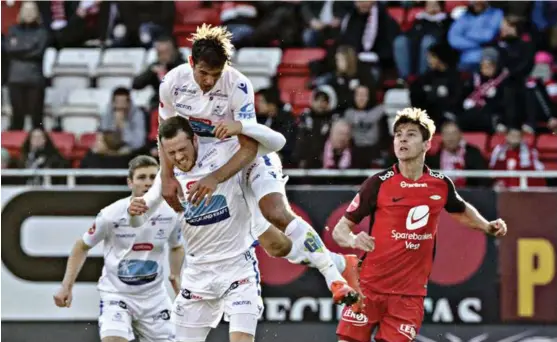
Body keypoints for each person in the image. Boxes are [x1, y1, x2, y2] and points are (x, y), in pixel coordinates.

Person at [158, 24, 360, 307]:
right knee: (275, 245)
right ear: (191, 62)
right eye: (203, 73)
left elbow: (251, 145)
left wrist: (215, 178)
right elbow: (164, 133)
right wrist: (166, 175)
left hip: (246, 158)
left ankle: (333, 280)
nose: (208, 81)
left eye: (215, 75)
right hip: (211, 167)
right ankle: (340, 263)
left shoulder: (238, 85)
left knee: (275, 211)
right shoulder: (172, 83)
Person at [332, 107, 508, 342]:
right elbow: (340, 230)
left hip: (409, 296)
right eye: (398, 134)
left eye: (411, 134)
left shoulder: (440, 184)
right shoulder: (378, 183)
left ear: (426, 145)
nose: (402, 138)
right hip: (368, 288)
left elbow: (461, 209)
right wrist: (354, 239)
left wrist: (487, 226)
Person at [126, 117, 278, 342]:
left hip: (237, 268)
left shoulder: (223, 152)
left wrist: (243, 128)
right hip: (197, 274)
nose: (178, 157)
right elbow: (139, 219)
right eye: (171, 153)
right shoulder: (167, 178)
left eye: (182, 149)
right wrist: (134, 212)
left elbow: (276, 143)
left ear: (195, 140)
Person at [53, 155, 185, 342]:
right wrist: (66, 287)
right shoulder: (111, 214)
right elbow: (81, 246)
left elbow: (177, 247)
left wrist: (176, 275)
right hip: (117, 295)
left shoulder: (171, 213)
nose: (148, 182)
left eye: (153, 177)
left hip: (154, 298)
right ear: (130, 182)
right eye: (141, 177)